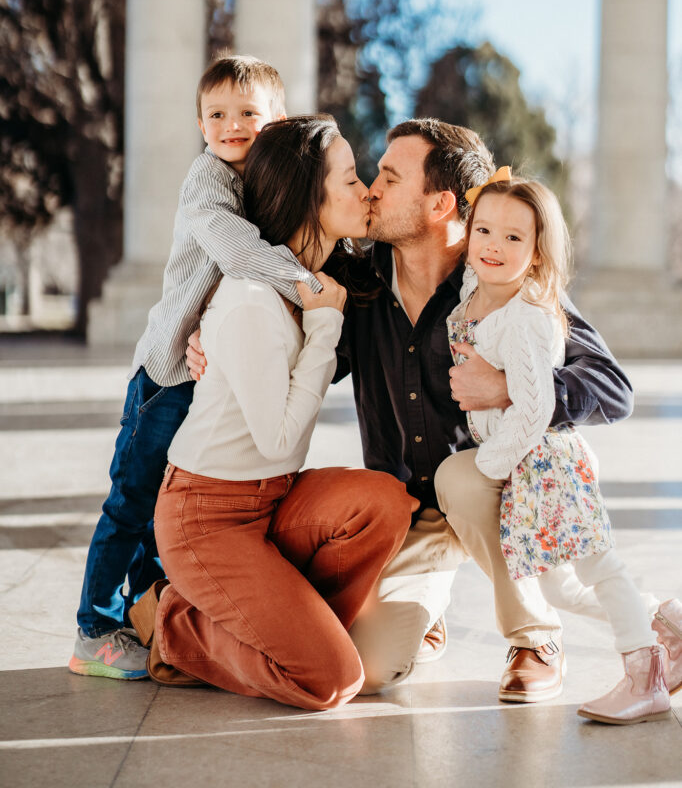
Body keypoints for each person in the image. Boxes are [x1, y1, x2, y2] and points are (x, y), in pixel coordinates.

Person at [188, 118, 637, 703]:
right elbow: (294, 345)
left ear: (439, 203)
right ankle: (428, 611)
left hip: (494, 490)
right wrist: (217, 340)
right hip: (407, 508)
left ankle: (535, 639)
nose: (371, 189)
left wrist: (508, 387)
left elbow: (611, 385)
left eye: (389, 178)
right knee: (371, 669)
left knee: (464, 479)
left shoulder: (501, 276)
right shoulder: (357, 281)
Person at [127, 116, 416, 711]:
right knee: (332, 681)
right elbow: (280, 438)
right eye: (351, 179)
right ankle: (175, 619)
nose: (365, 191)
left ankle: (290, 623)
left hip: (272, 500)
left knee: (385, 502)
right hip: (205, 516)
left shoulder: (321, 281)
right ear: (308, 199)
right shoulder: (253, 300)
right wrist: (323, 326)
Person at [70, 54, 323, 680]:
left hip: (197, 377)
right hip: (164, 376)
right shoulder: (209, 179)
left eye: (248, 114)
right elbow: (236, 252)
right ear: (200, 124)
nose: (231, 125)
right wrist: (307, 285)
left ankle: (146, 616)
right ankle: (94, 628)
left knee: (164, 508)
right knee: (132, 501)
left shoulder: (258, 185)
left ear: (278, 120)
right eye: (216, 115)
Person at [441, 171, 681, 725]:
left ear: (540, 251)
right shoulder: (474, 290)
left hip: (546, 462)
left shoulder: (525, 318)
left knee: (600, 567)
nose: (494, 246)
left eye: (514, 238)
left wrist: (490, 466)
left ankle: (645, 678)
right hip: (525, 465)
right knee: (561, 587)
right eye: (484, 231)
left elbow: (534, 410)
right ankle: (665, 621)